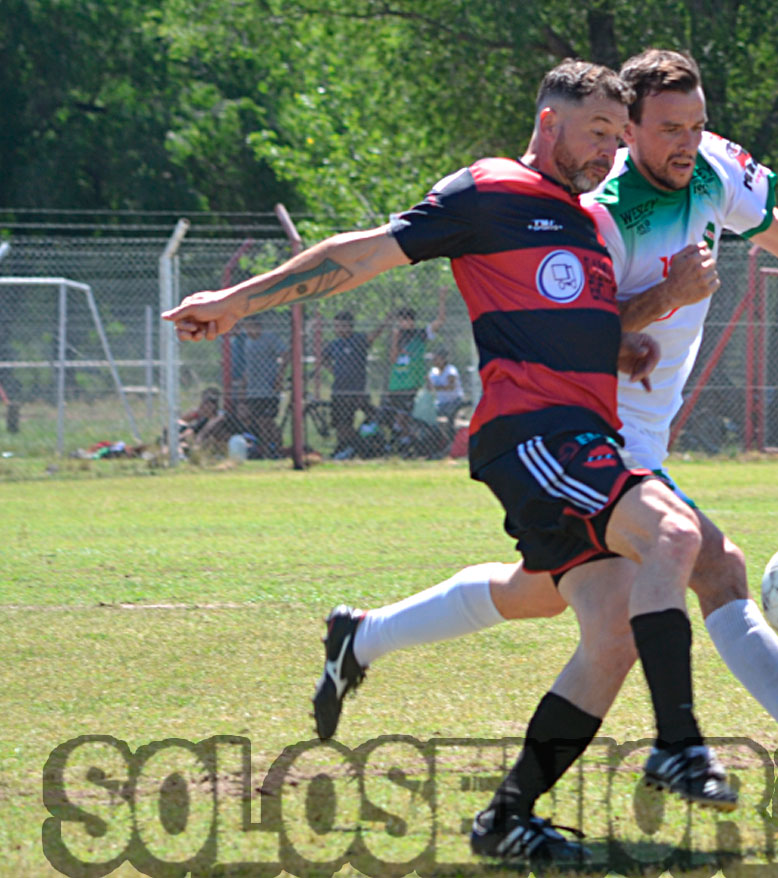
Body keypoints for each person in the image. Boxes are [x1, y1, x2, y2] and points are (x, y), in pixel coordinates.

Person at [164, 58, 735, 866]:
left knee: (610, 633)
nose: (609, 153)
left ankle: (506, 816)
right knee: (674, 536)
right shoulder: (488, 191)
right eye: (597, 133)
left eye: (617, 137)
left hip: (582, 436)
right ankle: (678, 744)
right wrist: (233, 302)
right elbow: (358, 255)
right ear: (547, 124)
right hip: (534, 436)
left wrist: (633, 335)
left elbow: (578, 327)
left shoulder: (588, 223)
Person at [315, 48, 778, 797]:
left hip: (639, 436)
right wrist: (655, 304)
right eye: (666, 129)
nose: (685, 142)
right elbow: (574, 333)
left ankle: (361, 637)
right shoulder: (598, 213)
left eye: (695, 124)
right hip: (590, 432)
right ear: (627, 132)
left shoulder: (716, 169)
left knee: (538, 592)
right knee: (710, 564)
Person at [318, 311, 388, 456]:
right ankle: (345, 447)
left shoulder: (358, 339)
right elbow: (323, 358)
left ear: (348, 326)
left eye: (339, 326)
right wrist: (334, 371)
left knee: (371, 414)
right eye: (335, 326)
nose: (336, 329)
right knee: (341, 422)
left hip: (357, 388)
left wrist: (385, 322)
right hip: (339, 389)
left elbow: (373, 336)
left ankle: (368, 443)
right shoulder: (335, 344)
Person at [383, 292, 446, 418]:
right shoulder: (397, 336)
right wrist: (395, 339)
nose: (402, 323)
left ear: (411, 320)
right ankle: (402, 435)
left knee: (408, 415)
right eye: (400, 320)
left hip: (412, 383)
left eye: (405, 320)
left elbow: (439, 321)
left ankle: (409, 436)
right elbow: (393, 359)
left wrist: (441, 299)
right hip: (396, 383)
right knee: (395, 415)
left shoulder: (419, 334)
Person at [239, 312, 286, 456]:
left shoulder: (270, 338)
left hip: (269, 389)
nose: (248, 331)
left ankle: (278, 449)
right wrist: (244, 382)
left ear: (257, 326)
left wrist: (280, 376)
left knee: (268, 421)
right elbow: (249, 365)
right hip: (254, 389)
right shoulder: (248, 342)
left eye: (250, 327)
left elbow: (285, 354)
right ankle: (266, 451)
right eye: (246, 328)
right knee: (259, 422)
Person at [428, 347, 466, 422]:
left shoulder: (450, 370)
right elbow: (429, 387)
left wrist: (435, 387)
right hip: (441, 402)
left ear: (443, 359)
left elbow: (451, 387)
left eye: (436, 359)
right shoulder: (433, 371)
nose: (434, 361)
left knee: (448, 415)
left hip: (454, 401)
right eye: (433, 359)